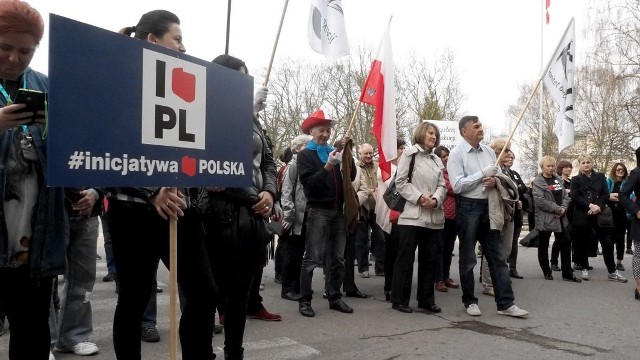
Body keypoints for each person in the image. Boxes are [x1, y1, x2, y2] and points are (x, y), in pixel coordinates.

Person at [109, 10, 218, 360]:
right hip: (132, 210)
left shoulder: (183, 86)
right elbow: (106, 152)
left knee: (202, 291)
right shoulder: (120, 87)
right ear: (154, 41)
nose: (184, 48)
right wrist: (151, 189)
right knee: (134, 298)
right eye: (178, 39)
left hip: (180, 208)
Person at [199, 54, 279, 360]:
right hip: (219, 216)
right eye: (240, 79)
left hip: (252, 218)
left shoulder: (253, 119)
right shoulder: (207, 112)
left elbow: (268, 160)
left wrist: (270, 192)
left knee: (240, 296)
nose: (246, 86)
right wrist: (253, 196)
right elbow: (214, 168)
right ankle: (203, 351)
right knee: (210, 294)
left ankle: (235, 352)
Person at [0, 1, 68, 360]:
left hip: (33, 237)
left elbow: (73, 149)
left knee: (32, 330)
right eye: (4, 47)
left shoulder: (45, 85)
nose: (14, 58)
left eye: (24, 50)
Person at [447, 116, 528, 318]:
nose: (481, 129)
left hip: (490, 206)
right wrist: (482, 175)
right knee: (468, 258)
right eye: (476, 126)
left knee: (498, 257)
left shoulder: (490, 151)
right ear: (464, 131)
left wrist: (495, 179)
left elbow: (499, 175)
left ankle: (506, 303)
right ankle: (469, 301)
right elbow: (457, 186)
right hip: (468, 207)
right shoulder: (456, 155)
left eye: (481, 125)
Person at [296, 109, 356, 317]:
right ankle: (304, 300)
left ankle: (334, 297)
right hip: (318, 211)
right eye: (321, 130)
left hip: (337, 211)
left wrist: (348, 157)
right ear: (312, 132)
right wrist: (328, 165)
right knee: (311, 258)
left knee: (338, 258)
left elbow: (351, 175)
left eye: (328, 130)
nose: (325, 134)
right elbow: (310, 185)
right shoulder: (305, 155)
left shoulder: (334, 151)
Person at [390, 122, 446, 314]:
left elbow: (443, 185)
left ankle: (426, 299)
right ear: (422, 134)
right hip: (412, 216)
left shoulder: (437, 159)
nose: (434, 137)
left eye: (436, 134)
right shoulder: (408, 154)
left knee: (429, 259)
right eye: (431, 133)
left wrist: (436, 199)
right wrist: (420, 198)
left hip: (433, 217)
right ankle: (399, 299)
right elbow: (401, 182)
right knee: (405, 259)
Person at [51, 187, 103, 356]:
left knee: (83, 279)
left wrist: (95, 193)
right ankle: (42, 341)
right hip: (49, 210)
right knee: (44, 280)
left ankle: (73, 336)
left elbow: (107, 165)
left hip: (87, 212)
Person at [569, 154, 627, 283]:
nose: (586, 165)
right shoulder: (576, 179)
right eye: (583, 163)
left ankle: (612, 271)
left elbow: (605, 194)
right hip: (583, 215)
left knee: (607, 243)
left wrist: (598, 207)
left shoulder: (600, 177)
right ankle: (584, 267)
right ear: (580, 164)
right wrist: (589, 205)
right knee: (583, 243)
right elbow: (575, 197)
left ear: (592, 163)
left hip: (600, 215)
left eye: (588, 162)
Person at [531, 156, 581, 283]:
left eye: (552, 166)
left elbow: (566, 196)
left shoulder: (558, 180)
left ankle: (567, 273)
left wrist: (563, 209)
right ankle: (546, 271)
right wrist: (558, 209)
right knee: (543, 245)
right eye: (548, 166)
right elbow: (540, 201)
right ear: (542, 167)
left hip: (561, 218)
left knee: (565, 243)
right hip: (546, 218)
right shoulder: (537, 182)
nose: (550, 168)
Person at [280, 134, 312, 301]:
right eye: (307, 145)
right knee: (292, 253)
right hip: (295, 218)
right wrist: (289, 214)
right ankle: (288, 288)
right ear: (298, 148)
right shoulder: (293, 166)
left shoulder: (308, 165)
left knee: (301, 253)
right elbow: (286, 191)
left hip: (308, 216)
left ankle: (298, 286)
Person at [377, 138, 407, 301]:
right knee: (392, 252)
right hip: (391, 215)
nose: (403, 151)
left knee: (402, 252)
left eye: (403, 147)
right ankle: (389, 286)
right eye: (400, 148)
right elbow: (395, 184)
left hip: (405, 214)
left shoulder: (404, 166)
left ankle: (399, 284)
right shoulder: (385, 167)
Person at [354, 143, 385, 277]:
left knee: (380, 238)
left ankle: (380, 268)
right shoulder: (355, 168)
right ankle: (363, 268)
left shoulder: (378, 166)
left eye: (370, 153)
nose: (368, 156)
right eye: (365, 153)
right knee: (362, 239)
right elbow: (355, 186)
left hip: (378, 207)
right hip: (362, 207)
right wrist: (370, 191)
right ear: (360, 155)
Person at [433, 145, 459, 293]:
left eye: (448, 155)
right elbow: (451, 188)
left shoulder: (454, 171)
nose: (447, 158)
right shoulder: (439, 172)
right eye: (443, 156)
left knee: (449, 248)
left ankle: (446, 276)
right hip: (442, 215)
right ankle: (438, 279)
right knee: (440, 249)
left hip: (454, 216)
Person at [618, 146, 640, 301]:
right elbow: (623, 194)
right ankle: (639, 286)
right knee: (639, 254)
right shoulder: (636, 173)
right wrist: (636, 210)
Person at [606, 162, 630, 271]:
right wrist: (619, 197)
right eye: (618, 169)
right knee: (610, 240)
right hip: (610, 214)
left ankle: (619, 262)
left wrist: (615, 196)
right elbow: (605, 195)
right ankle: (610, 263)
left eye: (622, 170)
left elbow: (629, 197)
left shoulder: (628, 182)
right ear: (614, 170)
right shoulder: (609, 181)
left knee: (621, 240)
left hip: (622, 215)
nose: (620, 171)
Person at [550, 159, 573, 272]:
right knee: (560, 239)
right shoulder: (558, 181)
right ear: (560, 169)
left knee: (568, 239)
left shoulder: (572, 181)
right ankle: (554, 262)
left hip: (571, 212)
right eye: (565, 167)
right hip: (561, 212)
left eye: (570, 167)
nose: (568, 169)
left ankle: (568, 264)